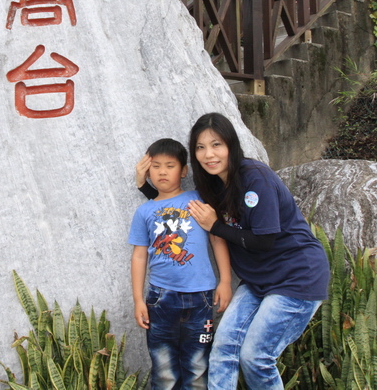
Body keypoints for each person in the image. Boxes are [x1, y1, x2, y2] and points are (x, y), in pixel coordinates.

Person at [138, 115, 329, 390]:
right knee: (223, 350)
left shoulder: (255, 178)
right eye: (201, 147)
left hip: (296, 278)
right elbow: (181, 213)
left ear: (231, 144)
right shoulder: (212, 184)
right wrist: (145, 187)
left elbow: (264, 240)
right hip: (257, 281)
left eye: (216, 144)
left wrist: (216, 226)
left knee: (256, 358)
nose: (209, 154)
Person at [129, 138, 232, 390]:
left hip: (201, 297)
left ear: (184, 171)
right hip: (160, 298)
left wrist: (226, 281)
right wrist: (138, 299)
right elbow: (139, 256)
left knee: (197, 367)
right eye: (155, 166)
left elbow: (217, 238)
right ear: (147, 170)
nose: (162, 172)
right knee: (163, 370)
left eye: (170, 166)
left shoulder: (198, 200)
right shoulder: (144, 212)